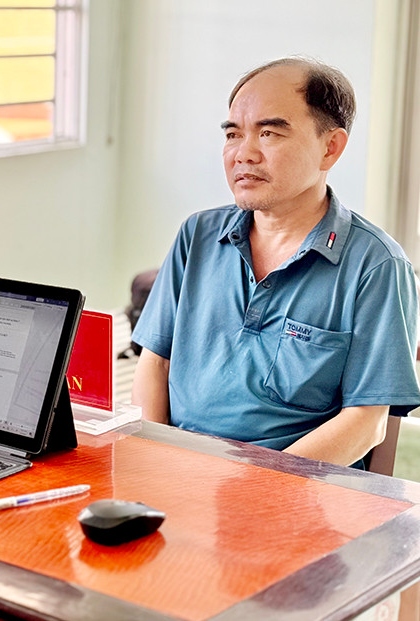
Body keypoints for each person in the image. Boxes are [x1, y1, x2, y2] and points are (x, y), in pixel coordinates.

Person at [131, 57, 420, 468]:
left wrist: (254, 491)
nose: (243, 154)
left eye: (268, 133)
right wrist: (154, 466)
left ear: (330, 147)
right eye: (233, 134)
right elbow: (154, 365)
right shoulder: (197, 234)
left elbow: (367, 423)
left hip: (295, 497)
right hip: (177, 477)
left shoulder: (377, 266)